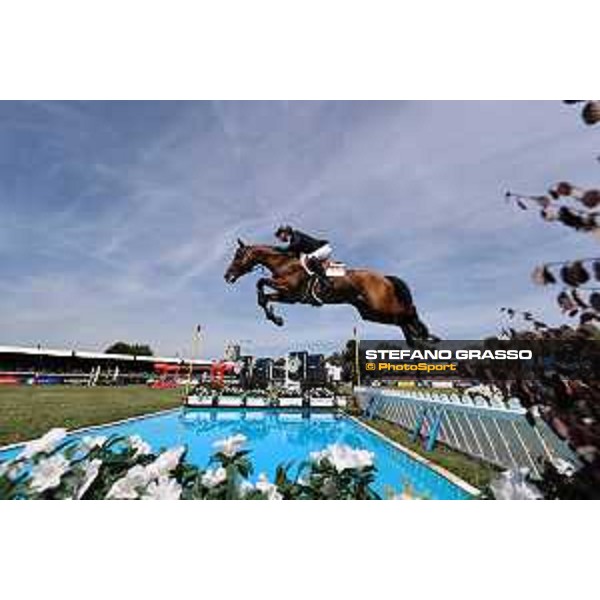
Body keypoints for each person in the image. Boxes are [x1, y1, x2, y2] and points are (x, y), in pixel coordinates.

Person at [275, 225, 333, 292]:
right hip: (315, 252)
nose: (280, 238)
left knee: (310, 260)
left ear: (285, 233)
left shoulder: (296, 234)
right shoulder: (292, 241)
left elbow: (296, 243)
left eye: (280, 235)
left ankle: (326, 282)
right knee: (303, 262)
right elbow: (296, 255)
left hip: (323, 249)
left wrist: (283, 249)